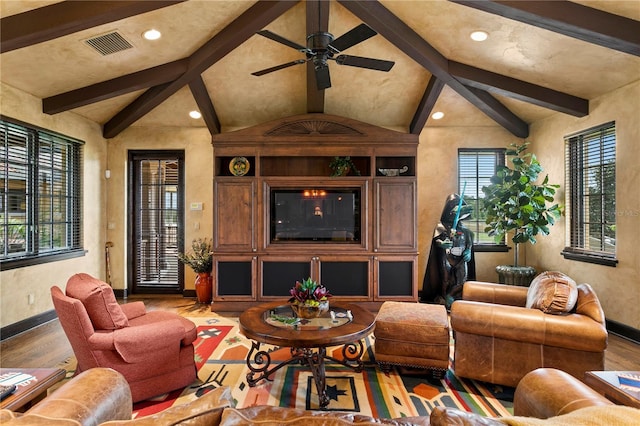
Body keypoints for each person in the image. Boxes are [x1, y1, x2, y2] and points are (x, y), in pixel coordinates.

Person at [422, 193, 475, 309]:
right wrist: (442, 244)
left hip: (461, 258)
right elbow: (437, 240)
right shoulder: (441, 226)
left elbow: (469, 243)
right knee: (445, 279)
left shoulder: (465, 230)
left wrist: (468, 251)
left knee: (462, 278)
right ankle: (444, 297)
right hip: (446, 256)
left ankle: (454, 296)